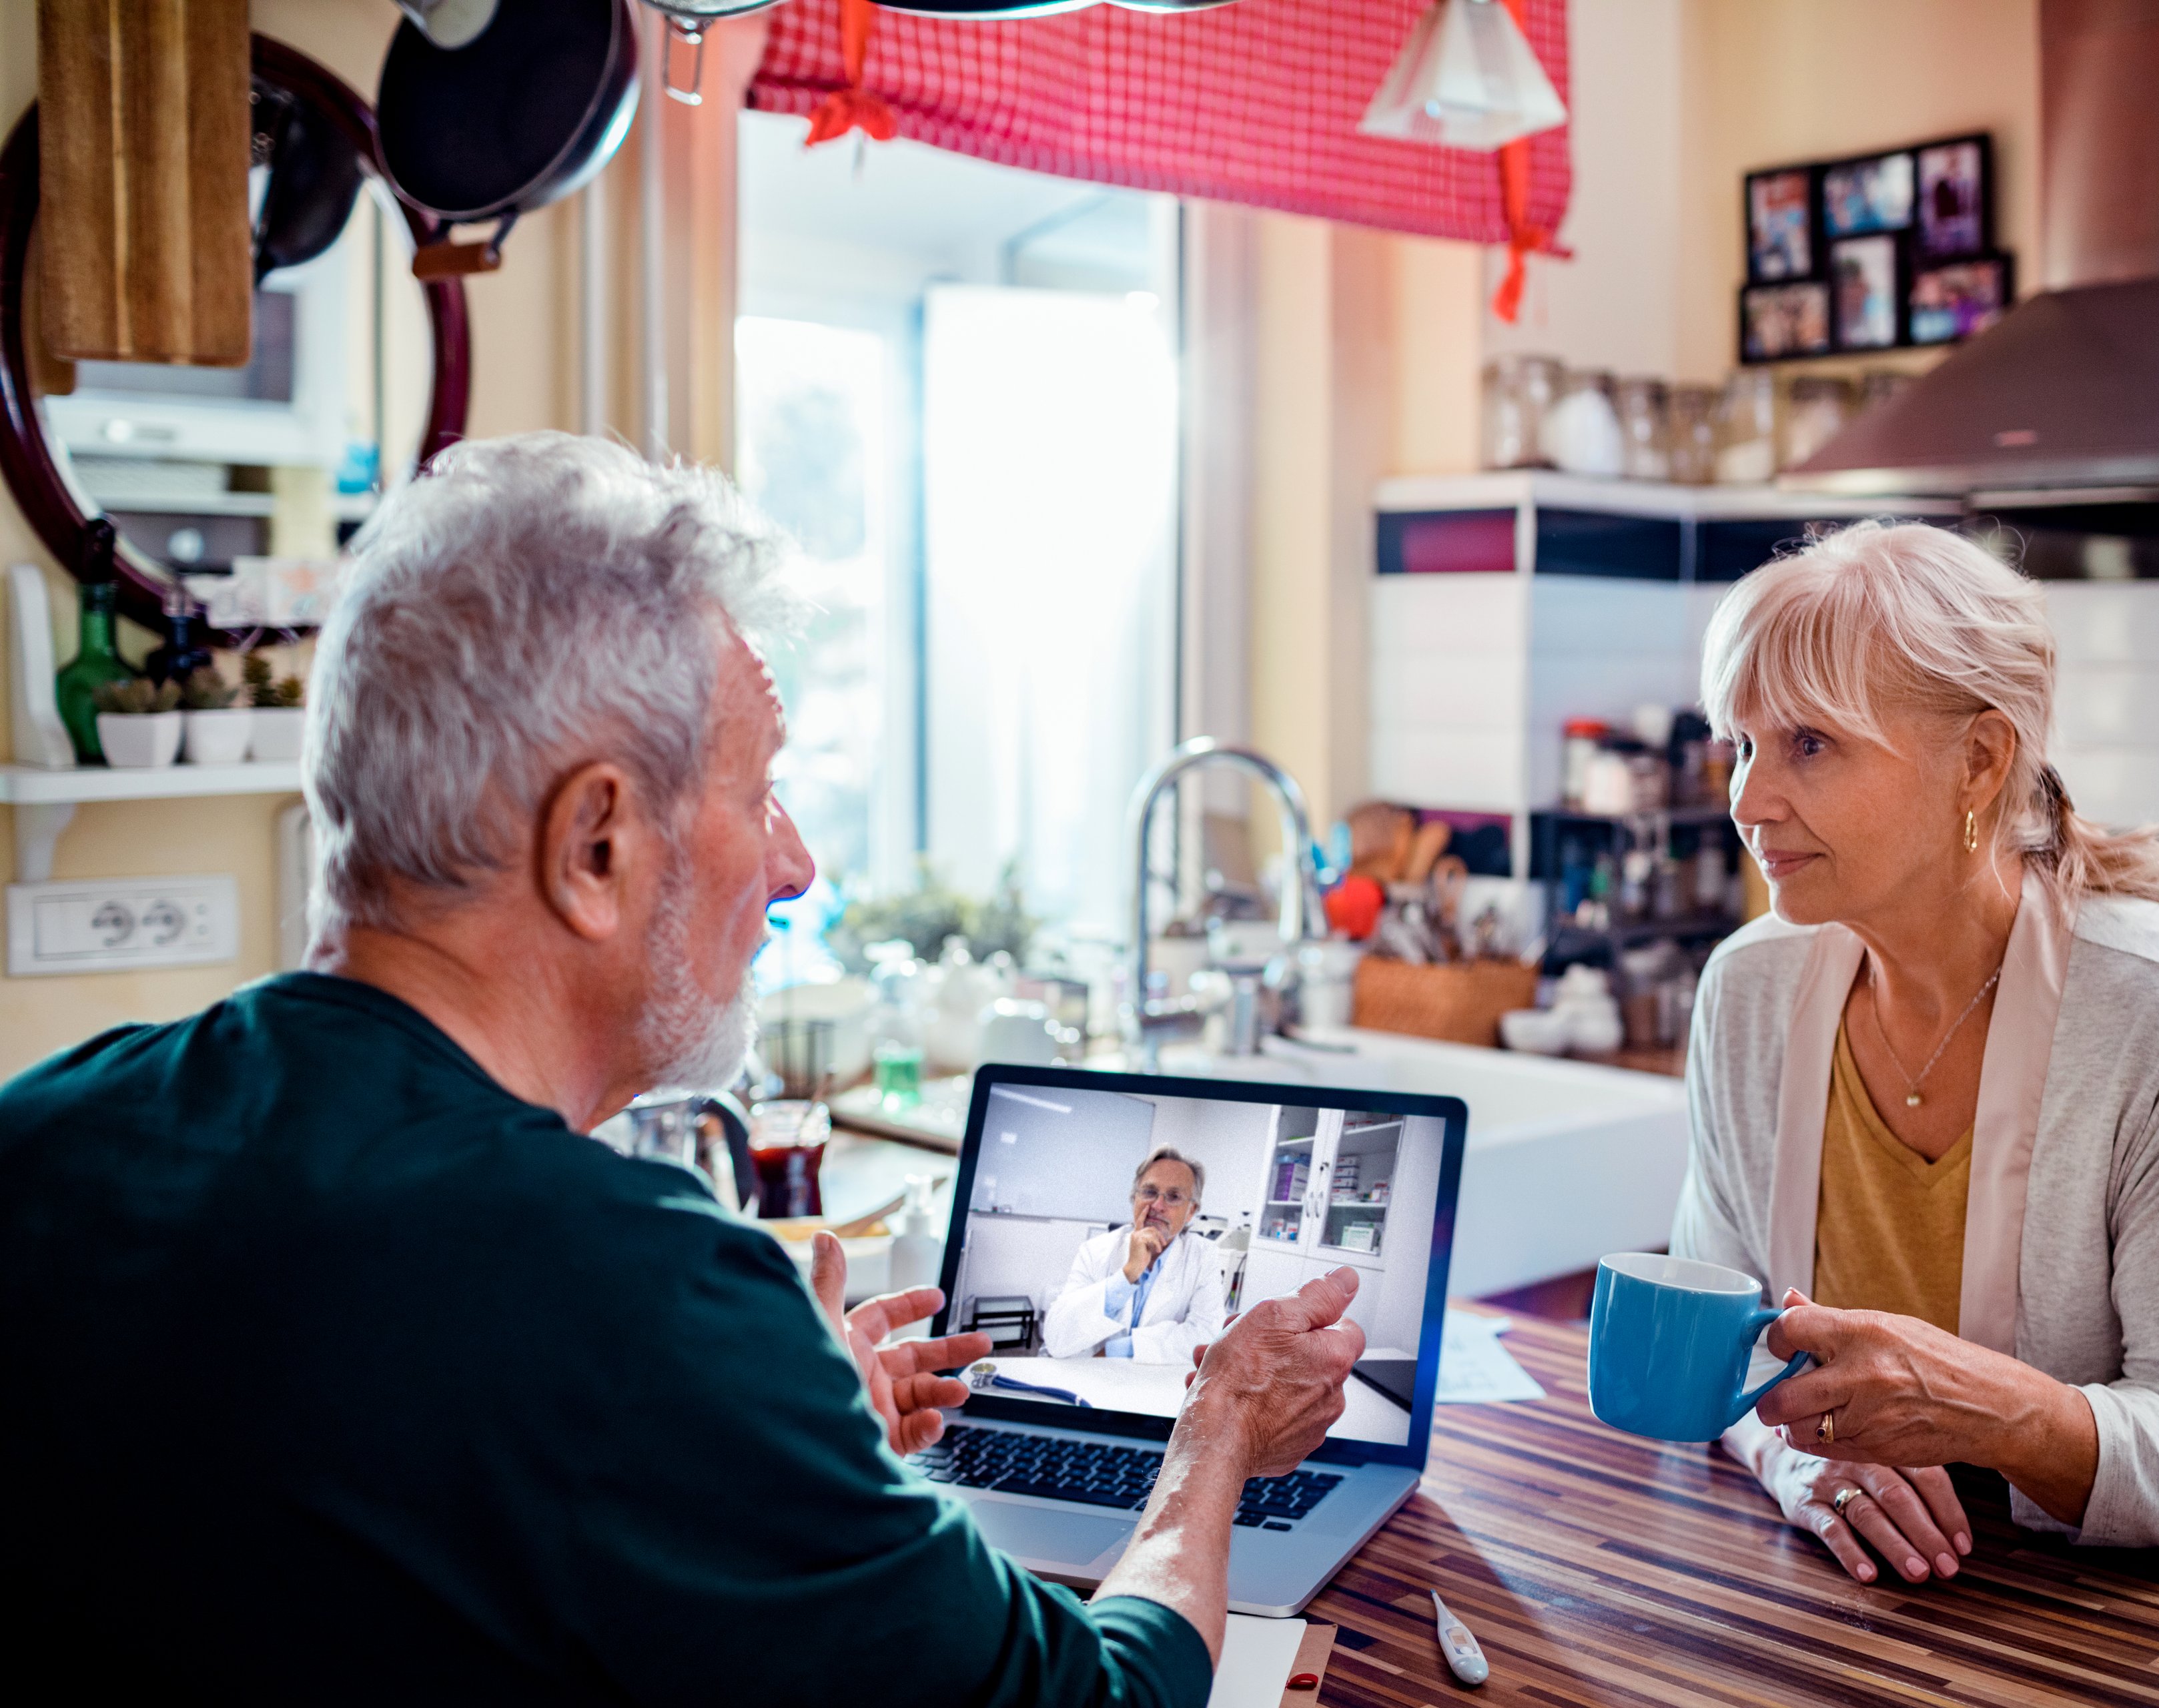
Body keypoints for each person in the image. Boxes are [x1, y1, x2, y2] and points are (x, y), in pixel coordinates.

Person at [0, 433, 1368, 1705]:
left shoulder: (42, 1134)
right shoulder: (638, 1298)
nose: (794, 864)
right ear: (596, 842)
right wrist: (1220, 1432)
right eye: (760, 788)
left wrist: (771, 1444)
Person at [1675, 521, 2159, 1596]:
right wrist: (1799, 1460)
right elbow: (1727, 1343)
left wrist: (1983, 1408)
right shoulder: (1749, 991)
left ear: (1981, 761)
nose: (1749, 798)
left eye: (1810, 743)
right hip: (1998, 1556)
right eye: (1743, 745)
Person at [1045, 1149, 1228, 1362]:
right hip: (1089, 1378)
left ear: (1191, 1211)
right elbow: (1056, 1337)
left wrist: (1118, 1350)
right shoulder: (1095, 1251)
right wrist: (1128, 1274)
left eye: (1174, 1197)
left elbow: (1209, 1336)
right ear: (1134, 1199)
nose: (1158, 1206)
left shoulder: (1204, 1256)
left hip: (1154, 1384)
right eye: (1149, 1192)